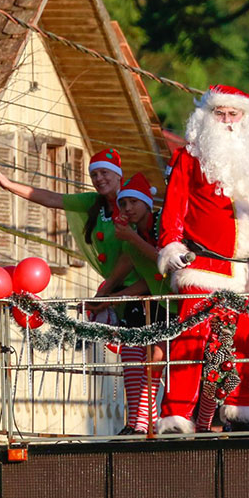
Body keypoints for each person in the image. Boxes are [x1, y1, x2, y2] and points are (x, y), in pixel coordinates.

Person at [0, 149, 156, 435]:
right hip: (119, 289)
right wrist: (8, 185)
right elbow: (51, 198)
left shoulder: (132, 209)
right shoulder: (93, 204)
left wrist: (106, 295)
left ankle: (147, 423)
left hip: (145, 287)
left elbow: (134, 255)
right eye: (94, 174)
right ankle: (137, 422)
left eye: (104, 173)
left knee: (149, 360)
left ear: (119, 174)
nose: (99, 179)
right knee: (131, 359)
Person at [156, 84, 249, 434]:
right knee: (190, 341)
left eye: (234, 115)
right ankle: (178, 415)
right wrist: (171, 245)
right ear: (207, 116)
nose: (227, 122)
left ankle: (240, 411)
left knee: (242, 343)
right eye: (221, 114)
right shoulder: (190, 158)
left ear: (246, 119)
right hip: (202, 265)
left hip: (244, 270)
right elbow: (174, 208)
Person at [93, 172, 174, 434]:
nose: (128, 208)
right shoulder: (131, 234)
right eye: (124, 203)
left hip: (175, 301)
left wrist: (132, 239)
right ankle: (136, 422)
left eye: (133, 203)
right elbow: (139, 273)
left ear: (146, 203)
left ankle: (144, 422)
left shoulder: (163, 223)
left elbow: (164, 262)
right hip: (149, 298)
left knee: (155, 356)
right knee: (130, 353)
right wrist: (107, 297)